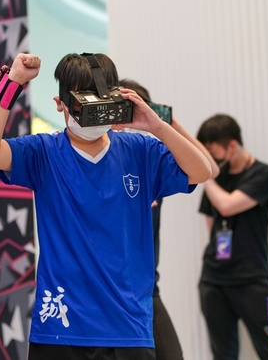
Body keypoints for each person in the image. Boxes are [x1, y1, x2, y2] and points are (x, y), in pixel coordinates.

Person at [0, 53, 212, 360]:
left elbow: (201, 171)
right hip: (62, 327)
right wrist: (13, 81)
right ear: (60, 104)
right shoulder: (44, 153)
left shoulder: (141, 151)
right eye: (83, 105)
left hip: (127, 328)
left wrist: (157, 126)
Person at [118, 79, 219, 360]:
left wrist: (168, 123)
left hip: (147, 289)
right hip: (113, 289)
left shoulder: (150, 158)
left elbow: (209, 169)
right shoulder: (106, 159)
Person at [196, 114, 268, 360]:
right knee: (223, 354)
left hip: (251, 278)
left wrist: (205, 174)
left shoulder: (263, 174)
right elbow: (211, 223)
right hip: (214, 279)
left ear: (232, 145)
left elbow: (227, 206)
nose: (210, 159)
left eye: (213, 153)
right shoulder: (218, 177)